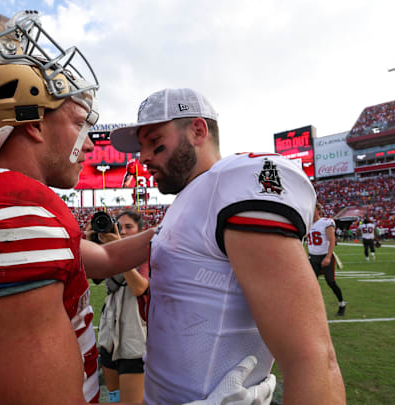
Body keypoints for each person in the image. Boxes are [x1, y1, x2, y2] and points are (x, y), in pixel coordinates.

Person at [0, 11, 263, 404]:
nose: (90, 144)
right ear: (34, 124)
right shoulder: (7, 211)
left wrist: (192, 216)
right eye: (79, 121)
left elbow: (105, 256)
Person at [110, 88, 345, 404]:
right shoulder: (185, 204)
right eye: (142, 146)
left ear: (197, 131)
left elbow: (313, 359)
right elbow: (103, 258)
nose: (144, 157)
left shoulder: (232, 182)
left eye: (154, 141)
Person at [96, 211, 149, 403]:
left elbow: (139, 288)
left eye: (129, 227)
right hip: (109, 338)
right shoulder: (111, 254)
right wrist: (91, 241)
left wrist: (120, 248)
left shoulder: (145, 255)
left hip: (133, 342)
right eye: (120, 226)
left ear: (140, 231)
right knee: (114, 399)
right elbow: (93, 275)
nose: (124, 231)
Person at [307, 202, 346, 316]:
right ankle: (312, 308)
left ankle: (341, 303)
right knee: (310, 283)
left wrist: (328, 257)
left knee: (331, 282)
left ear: (318, 210)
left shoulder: (325, 222)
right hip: (312, 257)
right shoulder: (307, 224)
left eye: (313, 209)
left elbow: (332, 240)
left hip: (325, 256)